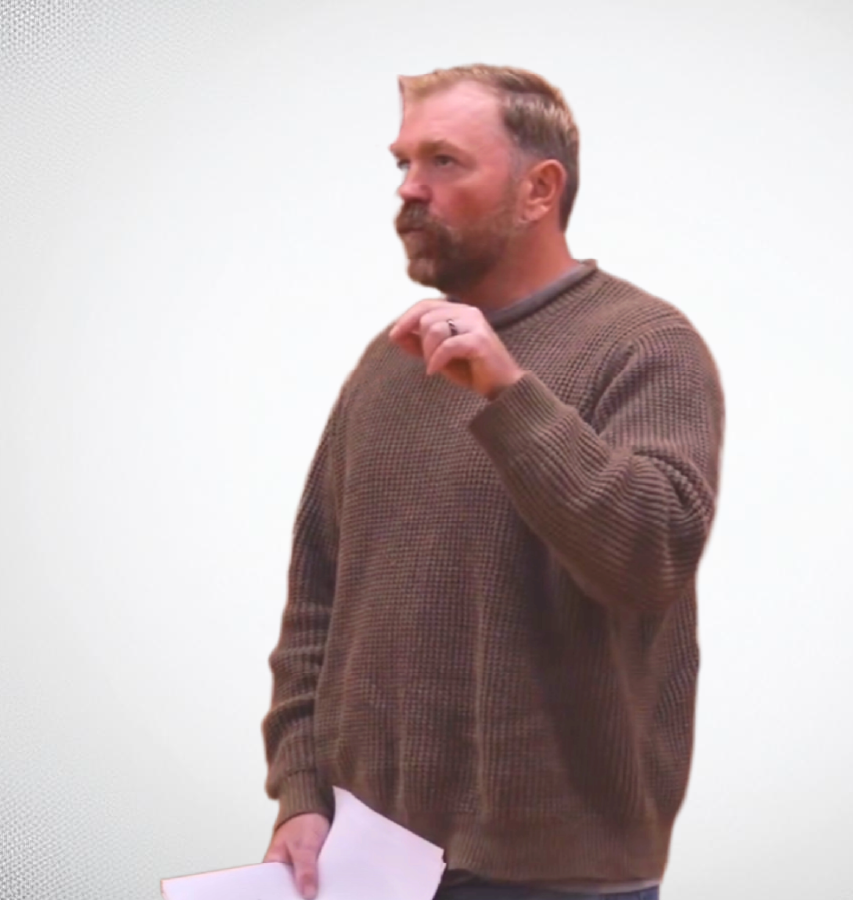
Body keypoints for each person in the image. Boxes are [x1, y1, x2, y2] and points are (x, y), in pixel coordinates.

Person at [259, 64, 726, 900]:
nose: (409, 188)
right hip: (367, 864)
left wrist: (509, 394)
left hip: (561, 880)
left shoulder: (645, 345)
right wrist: (300, 794)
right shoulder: (389, 363)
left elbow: (650, 557)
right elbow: (318, 603)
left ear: (540, 189)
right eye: (403, 163)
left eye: (443, 161)